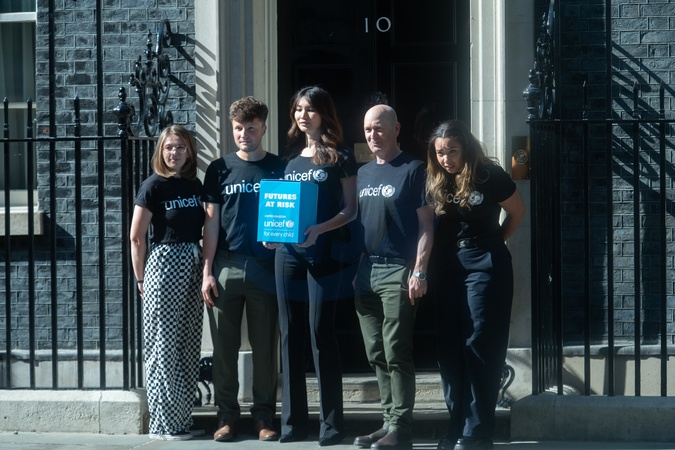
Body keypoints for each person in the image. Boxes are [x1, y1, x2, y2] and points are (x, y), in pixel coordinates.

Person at [264, 85, 357, 446]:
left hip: (325, 254)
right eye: (298, 110)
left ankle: (331, 426)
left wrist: (320, 229)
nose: (303, 116)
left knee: (321, 333)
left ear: (324, 114)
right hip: (287, 255)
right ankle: (292, 424)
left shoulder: (340, 156)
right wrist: (273, 234)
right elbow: (281, 206)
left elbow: (351, 210)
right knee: (290, 335)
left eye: (310, 110)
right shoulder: (289, 158)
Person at [425, 120, 525, 450]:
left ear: (466, 148)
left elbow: (517, 212)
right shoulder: (435, 178)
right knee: (450, 346)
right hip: (446, 265)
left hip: (484, 263)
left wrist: (493, 243)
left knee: (480, 340)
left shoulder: (489, 175)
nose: (446, 158)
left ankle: (478, 430)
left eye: (452, 151)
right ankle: (455, 426)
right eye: (440, 153)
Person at [201, 97, 286, 443]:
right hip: (226, 264)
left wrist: (283, 239)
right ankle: (226, 417)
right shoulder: (219, 168)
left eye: (251, 128)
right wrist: (207, 271)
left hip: (266, 266)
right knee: (224, 349)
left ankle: (264, 416)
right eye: (238, 128)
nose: (244, 134)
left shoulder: (280, 167)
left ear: (263, 128)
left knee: (266, 348)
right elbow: (210, 223)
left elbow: (289, 215)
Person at [352, 104, 434, 450]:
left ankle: (401, 428)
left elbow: (427, 224)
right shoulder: (363, 173)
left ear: (396, 129)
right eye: (368, 129)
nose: (373, 135)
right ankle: (388, 422)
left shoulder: (414, 170)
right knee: (376, 351)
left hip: (398, 270)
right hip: (366, 271)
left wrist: (419, 270)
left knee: (396, 350)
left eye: (379, 128)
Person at [129, 124, 205, 441]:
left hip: (193, 265)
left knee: (187, 344)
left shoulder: (194, 185)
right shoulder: (153, 186)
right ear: (161, 151)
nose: (174, 152)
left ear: (189, 152)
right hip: (165, 265)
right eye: (169, 147)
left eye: (180, 147)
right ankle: (163, 424)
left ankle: (181, 419)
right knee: (163, 346)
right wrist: (141, 279)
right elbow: (136, 238)